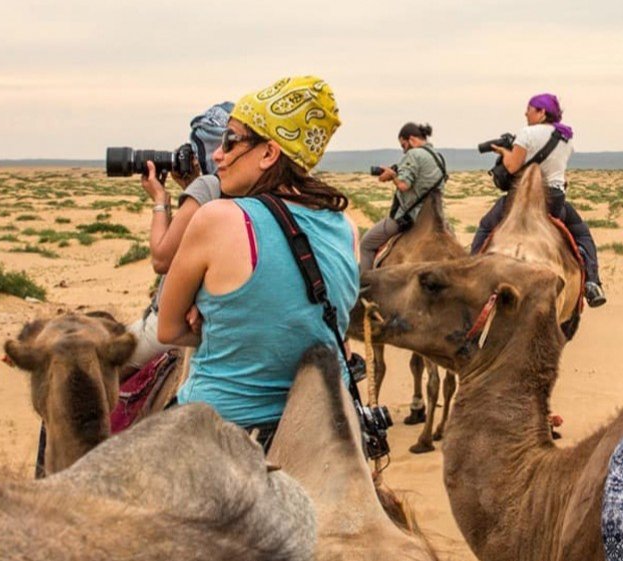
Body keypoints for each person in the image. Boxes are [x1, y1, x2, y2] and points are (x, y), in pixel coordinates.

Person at [155, 75, 359, 451]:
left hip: (222, 429)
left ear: (269, 153)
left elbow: (168, 329)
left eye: (231, 141)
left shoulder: (218, 218)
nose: (218, 154)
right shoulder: (347, 228)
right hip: (321, 433)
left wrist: (221, 324)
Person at [125, 101, 234, 374]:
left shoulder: (210, 186)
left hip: (176, 323)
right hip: (223, 318)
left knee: (101, 360)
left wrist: (160, 199)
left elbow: (162, 258)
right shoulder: (247, 190)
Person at [470, 93, 606, 307]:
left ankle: (471, 273)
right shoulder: (566, 137)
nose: (526, 113)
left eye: (530, 109)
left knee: (486, 227)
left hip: (522, 199)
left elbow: (512, 167)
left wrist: (504, 151)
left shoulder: (527, 133)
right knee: (581, 233)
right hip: (555, 200)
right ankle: (592, 282)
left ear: (542, 112)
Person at [358, 123, 447, 274]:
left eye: (403, 145)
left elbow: (404, 185)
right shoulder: (439, 158)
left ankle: (363, 287)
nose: (404, 150)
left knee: (366, 244)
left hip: (410, 218)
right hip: (436, 217)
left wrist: (393, 176)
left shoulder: (414, 154)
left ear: (411, 139)